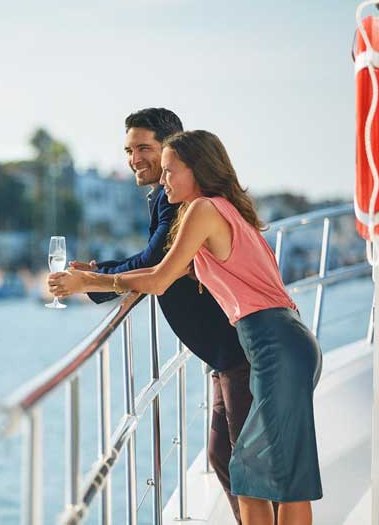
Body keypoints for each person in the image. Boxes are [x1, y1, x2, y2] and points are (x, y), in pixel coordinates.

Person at [49, 130, 322, 525]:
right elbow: (166, 273)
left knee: (265, 477)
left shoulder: (204, 211)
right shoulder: (225, 210)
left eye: (169, 171)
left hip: (273, 344)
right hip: (282, 340)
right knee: (267, 475)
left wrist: (93, 283)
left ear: (196, 169)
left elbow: (159, 278)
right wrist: (93, 279)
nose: (163, 181)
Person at [69, 108, 253, 524]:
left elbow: (156, 266)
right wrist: (99, 272)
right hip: (225, 354)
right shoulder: (168, 198)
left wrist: (93, 283)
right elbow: (152, 261)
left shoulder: (187, 205)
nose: (135, 158)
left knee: (247, 465)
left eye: (144, 148)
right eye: (129, 150)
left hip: (240, 351)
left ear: (174, 148)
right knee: (225, 456)